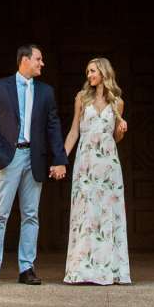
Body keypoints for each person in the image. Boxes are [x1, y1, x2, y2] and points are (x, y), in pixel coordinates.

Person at [0, 43, 66, 285]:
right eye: (38, 59)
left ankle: (27, 268)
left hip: (34, 158)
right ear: (24, 60)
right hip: (8, 157)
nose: (42, 63)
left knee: (31, 215)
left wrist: (60, 159)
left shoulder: (46, 92)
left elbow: (53, 126)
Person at [62, 57, 132, 285]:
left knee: (107, 214)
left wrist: (121, 130)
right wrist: (60, 159)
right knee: (86, 214)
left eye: (92, 71)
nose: (89, 75)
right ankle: (81, 269)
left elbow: (115, 138)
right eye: (88, 72)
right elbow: (74, 132)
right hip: (86, 165)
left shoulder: (117, 103)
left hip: (109, 167)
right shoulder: (82, 98)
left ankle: (110, 270)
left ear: (103, 72)